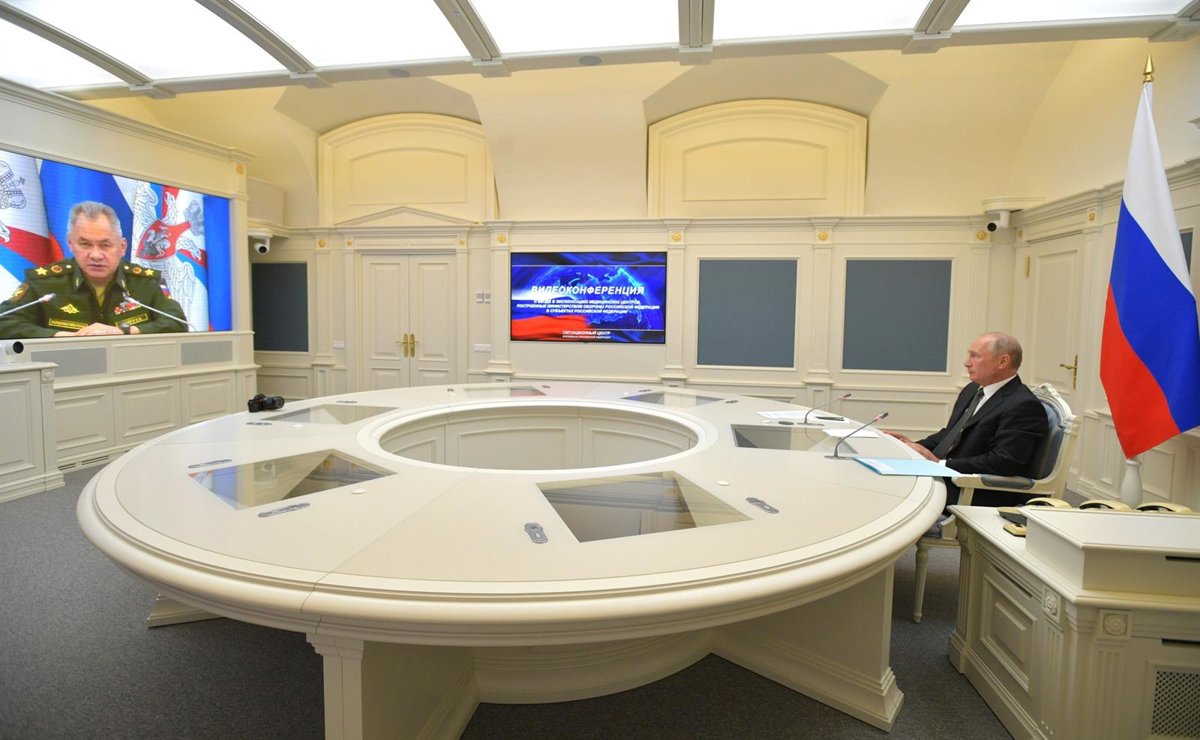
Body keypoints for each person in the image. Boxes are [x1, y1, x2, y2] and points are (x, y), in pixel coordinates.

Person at [887, 332, 1047, 508]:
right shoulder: (972, 389)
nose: (966, 362)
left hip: (974, 490)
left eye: (975, 356)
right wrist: (911, 447)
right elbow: (951, 434)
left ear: (1003, 361)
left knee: (890, 491)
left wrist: (940, 464)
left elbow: (1004, 462)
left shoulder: (1023, 405)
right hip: (948, 475)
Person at [0, 201, 187, 338]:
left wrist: (124, 332)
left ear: (122, 247)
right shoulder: (44, 283)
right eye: (85, 244)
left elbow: (177, 323)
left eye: (105, 245)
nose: (96, 255)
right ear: (70, 244)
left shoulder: (147, 282)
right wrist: (61, 337)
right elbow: (4, 322)